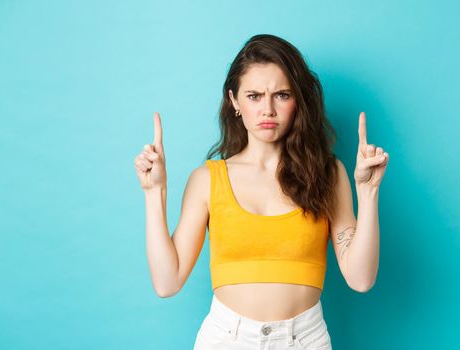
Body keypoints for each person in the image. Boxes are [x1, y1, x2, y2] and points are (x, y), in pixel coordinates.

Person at [134, 34, 389, 350]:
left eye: (282, 95)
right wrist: (154, 192)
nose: (267, 109)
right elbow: (167, 282)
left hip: (305, 340)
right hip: (225, 339)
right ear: (234, 101)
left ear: (299, 101)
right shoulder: (207, 179)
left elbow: (360, 279)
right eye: (254, 96)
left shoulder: (327, 172)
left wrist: (368, 191)